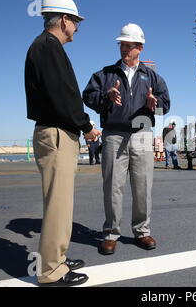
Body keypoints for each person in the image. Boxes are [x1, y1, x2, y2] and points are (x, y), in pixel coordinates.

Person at [25, 0, 101, 287]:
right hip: (57, 133)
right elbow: (62, 97)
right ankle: (50, 271)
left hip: (56, 131)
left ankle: (56, 258)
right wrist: (87, 126)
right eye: (76, 22)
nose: (78, 28)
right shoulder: (48, 47)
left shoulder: (45, 47)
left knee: (60, 202)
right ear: (65, 20)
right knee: (58, 203)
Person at [82, 23, 170, 255]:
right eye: (122, 44)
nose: (124, 49)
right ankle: (111, 233)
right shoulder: (106, 74)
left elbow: (165, 105)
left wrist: (156, 103)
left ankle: (142, 231)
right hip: (113, 134)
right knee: (113, 186)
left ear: (140, 48)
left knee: (143, 186)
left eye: (129, 45)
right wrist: (106, 96)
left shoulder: (152, 77)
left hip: (142, 134)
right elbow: (88, 96)